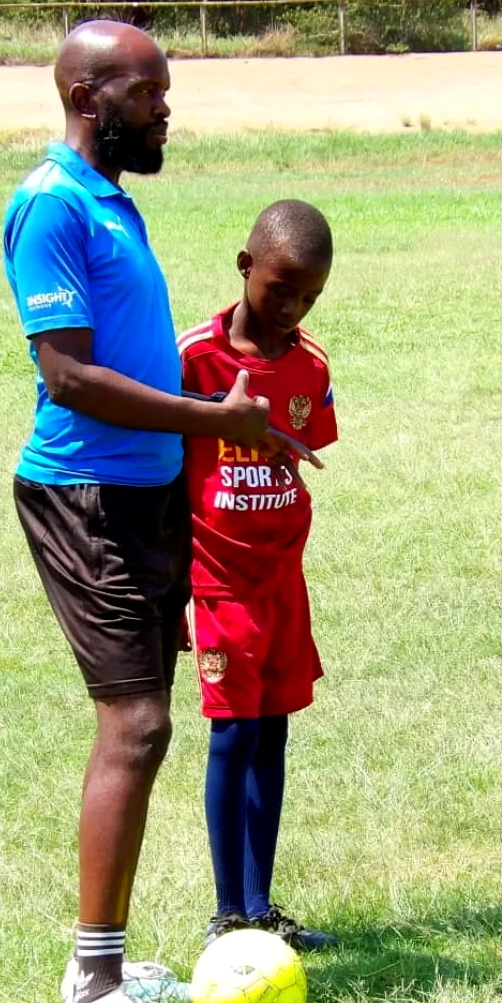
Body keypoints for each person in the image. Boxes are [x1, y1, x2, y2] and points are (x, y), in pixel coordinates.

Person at [2, 20, 273, 1003]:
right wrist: (216, 425)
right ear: (87, 93)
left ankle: (107, 964)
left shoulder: (115, 204)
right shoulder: (50, 206)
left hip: (148, 497)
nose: (167, 108)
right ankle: (90, 988)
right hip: (85, 498)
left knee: (146, 727)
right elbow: (68, 375)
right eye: (149, 92)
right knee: (138, 727)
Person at [179, 199, 341, 954]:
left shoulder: (311, 365)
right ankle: (226, 914)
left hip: (282, 583)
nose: (291, 306)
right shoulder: (191, 360)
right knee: (231, 733)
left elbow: (306, 452)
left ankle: (261, 904)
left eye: (308, 296)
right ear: (245, 267)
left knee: (272, 732)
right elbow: (158, 470)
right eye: (280, 288)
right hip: (217, 581)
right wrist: (174, 587)